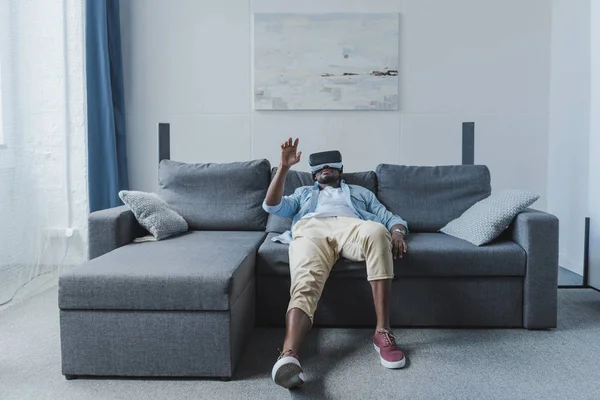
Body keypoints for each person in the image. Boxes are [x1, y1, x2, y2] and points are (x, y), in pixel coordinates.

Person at [263, 138, 409, 389]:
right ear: (313, 175)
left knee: (376, 231)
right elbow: (272, 205)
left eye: (330, 166)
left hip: (352, 229)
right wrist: (284, 167)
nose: (325, 169)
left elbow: (391, 218)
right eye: (319, 168)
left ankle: (382, 332)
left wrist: (396, 233)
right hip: (311, 231)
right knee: (305, 281)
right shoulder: (303, 194)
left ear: (340, 170)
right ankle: (289, 355)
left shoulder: (361, 193)